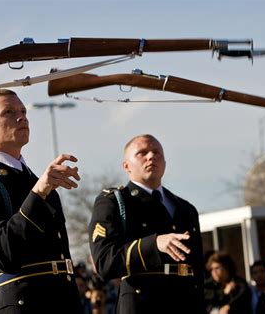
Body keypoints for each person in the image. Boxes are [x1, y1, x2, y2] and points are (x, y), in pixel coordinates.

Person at [0, 89, 82, 313]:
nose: (22, 117)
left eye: (23, 111)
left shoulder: (35, 179)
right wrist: (39, 193)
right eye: (9, 112)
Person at [88, 134, 205, 314]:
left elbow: (196, 270)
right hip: (142, 303)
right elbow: (104, 262)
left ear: (165, 162)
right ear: (126, 166)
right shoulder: (114, 202)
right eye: (142, 153)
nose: (151, 157)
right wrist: (153, 244)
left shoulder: (185, 208)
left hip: (185, 302)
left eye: (157, 152)